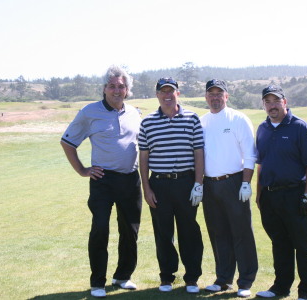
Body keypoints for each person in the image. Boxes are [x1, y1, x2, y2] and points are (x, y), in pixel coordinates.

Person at [60, 65, 142, 298]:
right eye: (112, 86)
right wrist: (82, 170)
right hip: (103, 180)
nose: (117, 90)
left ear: (127, 90)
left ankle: (123, 276)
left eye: (121, 86)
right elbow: (68, 142)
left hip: (130, 180)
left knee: (130, 231)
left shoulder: (135, 112)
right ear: (104, 89)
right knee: (100, 229)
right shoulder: (89, 112)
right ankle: (98, 282)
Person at [255, 85, 307, 300]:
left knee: (303, 246)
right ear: (264, 104)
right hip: (270, 195)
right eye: (268, 101)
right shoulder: (263, 128)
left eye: (276, 101)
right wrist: (259, 194)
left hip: (294, 195)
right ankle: (281, 287)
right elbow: (261, 164)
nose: (272, 105)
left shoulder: (300, 127)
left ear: (285, 102)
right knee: (280, 243)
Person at [138, 77, 204, 294]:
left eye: (171, 91)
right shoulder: (148, 122)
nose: (167, 95)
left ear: (178, 93)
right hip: (159, 184)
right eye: (162, 92)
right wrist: (146, 188)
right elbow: (144, 157)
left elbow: (198, 153)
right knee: (163, 233)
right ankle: (167, 276)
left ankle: (192, 278)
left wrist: (198, 184)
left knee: (189, 231)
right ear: (157, 95)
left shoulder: (192, 118)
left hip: (186, 182)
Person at [200, 79, 258, 298]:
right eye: (211, 94)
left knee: (241, 232)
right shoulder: (202, 121)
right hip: (209, 184)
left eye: (219, 93)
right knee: (218, 233)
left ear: (226, 96)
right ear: (206, 97)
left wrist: (245, 183)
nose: (215, 97)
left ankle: (245, 281)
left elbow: (250, 154)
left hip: (234, 182)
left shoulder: (238, 119)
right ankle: (223, 279)